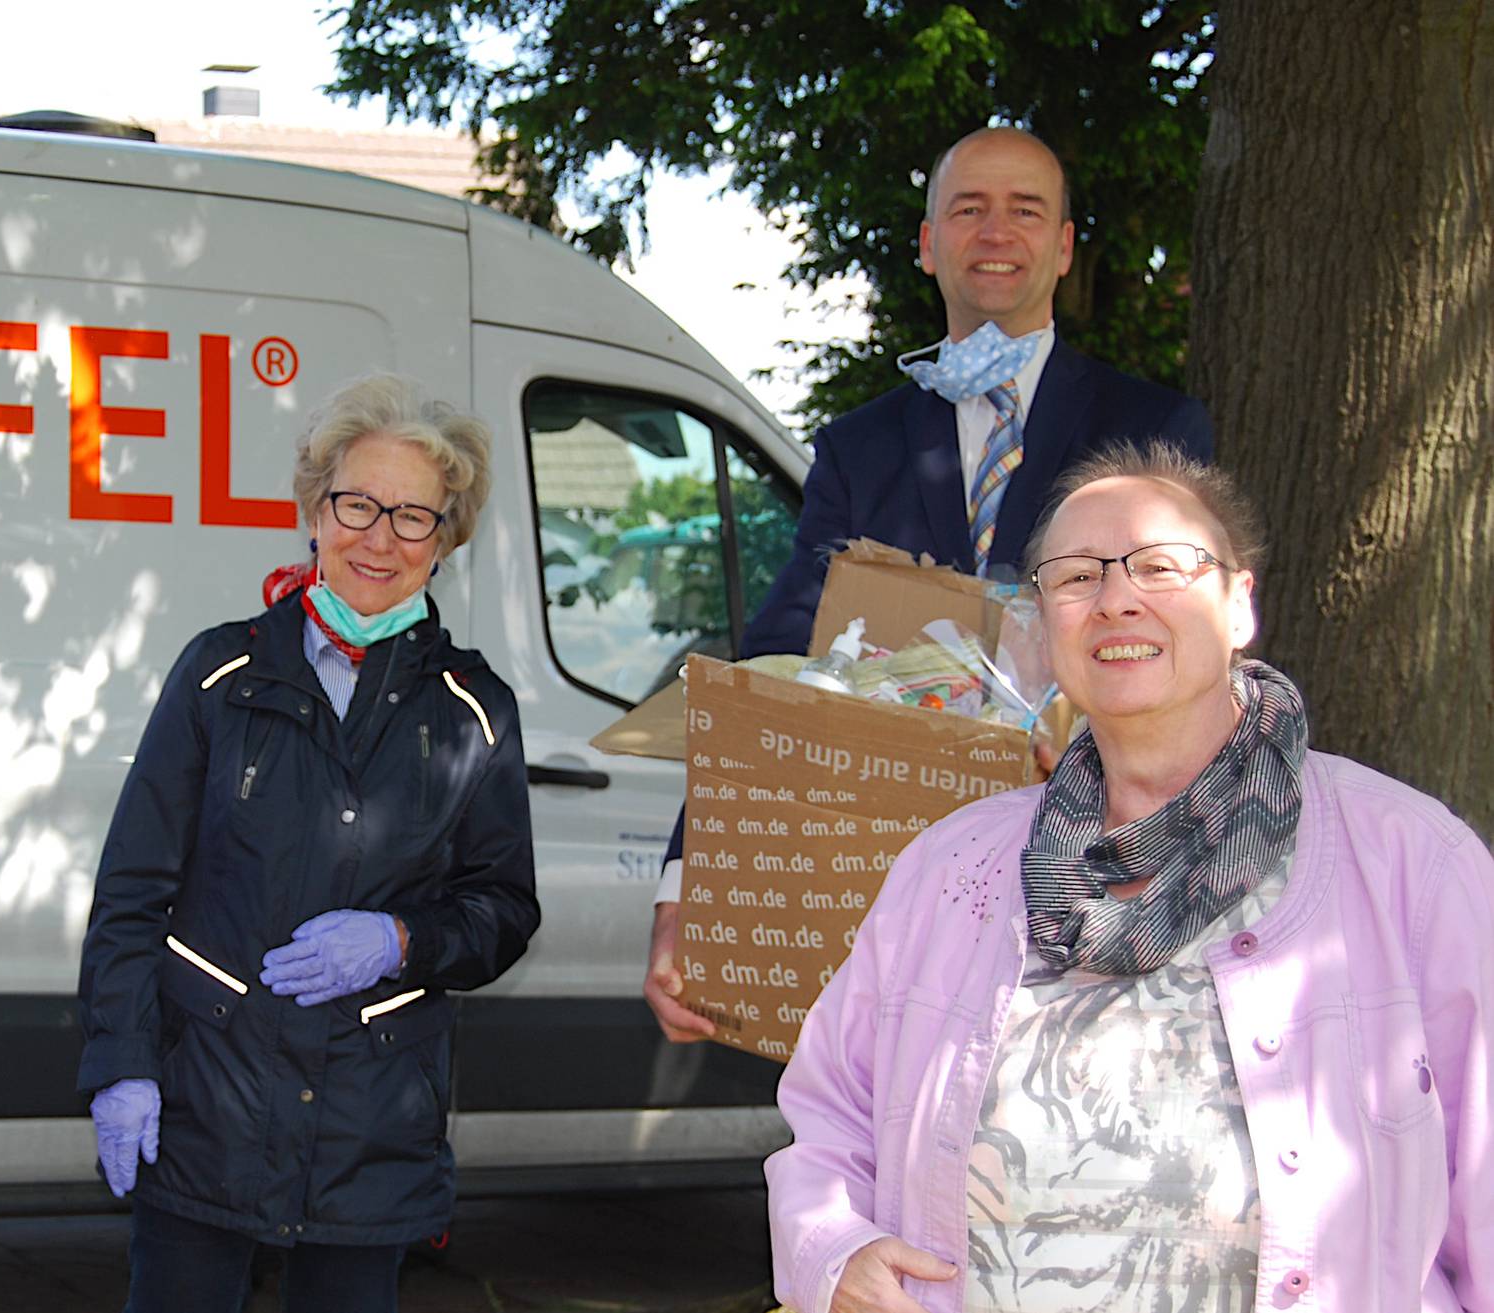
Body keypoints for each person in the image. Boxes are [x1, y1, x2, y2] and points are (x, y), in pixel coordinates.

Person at [764, 444, 1492, 1312]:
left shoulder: (1410, 859)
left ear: (1240, 605)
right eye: (1075, 578)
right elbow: (832, 1110)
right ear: (1040, 625)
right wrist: (833, 1247)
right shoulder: (950, 867)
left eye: (1160, 565)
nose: (1116, 597)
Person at [645, 125, 1217, 1043]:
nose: (996, 231)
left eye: (1025, 210)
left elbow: (1193, 661)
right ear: (926, 244)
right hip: (883, 909)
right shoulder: (859, 449)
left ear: (1064, 247)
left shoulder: (1153, 429)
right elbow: (771, 677)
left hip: (1090, 903)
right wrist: (690, 893)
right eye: (968, 209)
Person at [75, 374, 541, 1312]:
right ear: (314, 513)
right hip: (205, 1113)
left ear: (445, 541)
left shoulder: (473, 709)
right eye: (358, 504)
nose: (381, 538)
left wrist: (402, 940)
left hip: (369, 1134)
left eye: (415, 517)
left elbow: (502, 910)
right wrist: (122, 1065)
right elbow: (132, 892)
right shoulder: (222, 671)